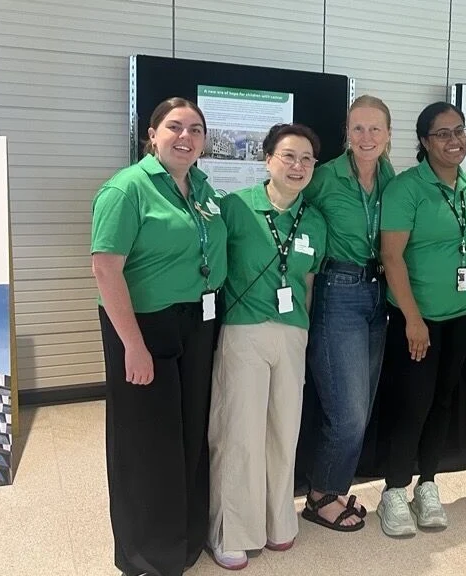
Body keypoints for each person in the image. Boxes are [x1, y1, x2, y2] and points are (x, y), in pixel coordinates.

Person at [91, 97, 227, 576]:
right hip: (143, 327)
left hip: (197, 322)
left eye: (195, 128)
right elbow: (105, 269)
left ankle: (184, 539)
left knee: (189, 434)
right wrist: (133, 345)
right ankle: (145, 553)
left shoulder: (201, 188)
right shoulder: (126, 189)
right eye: (174, 126)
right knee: (147, 443)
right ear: (152, 134)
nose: (185, 136)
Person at [207, 123, 327, 570]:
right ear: (268, 159)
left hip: (293, 333)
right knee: (239, 433)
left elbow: (306, 283)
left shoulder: (314, 219)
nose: (298, 166)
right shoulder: (236, 207)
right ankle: (232, 531)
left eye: (307, 159)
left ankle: (280, 522)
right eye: (288, 156)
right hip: (244, 330)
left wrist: (302, 328)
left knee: (283, 431)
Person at [377, 101, 466, 538]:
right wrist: (413, 319)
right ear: (423, 141)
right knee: (414, 404)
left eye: (459, 131)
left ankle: (427, 483)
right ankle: (393, 491)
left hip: (465, 312)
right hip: (418, 319)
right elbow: (392, 257)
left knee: (443, 401)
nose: (454, 140)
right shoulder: (407, 188)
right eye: (442, 133)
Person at [302, 95, 396, 531]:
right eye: (358, 128)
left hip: (379, 293)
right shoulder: (323, 178)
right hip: (337, 292)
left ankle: (333, 490)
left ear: (389, 136)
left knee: (363, 403)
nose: (366, 137)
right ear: (346, 133)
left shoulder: (390, 176)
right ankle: (320, 496)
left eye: (375, 129)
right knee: (348, 411)